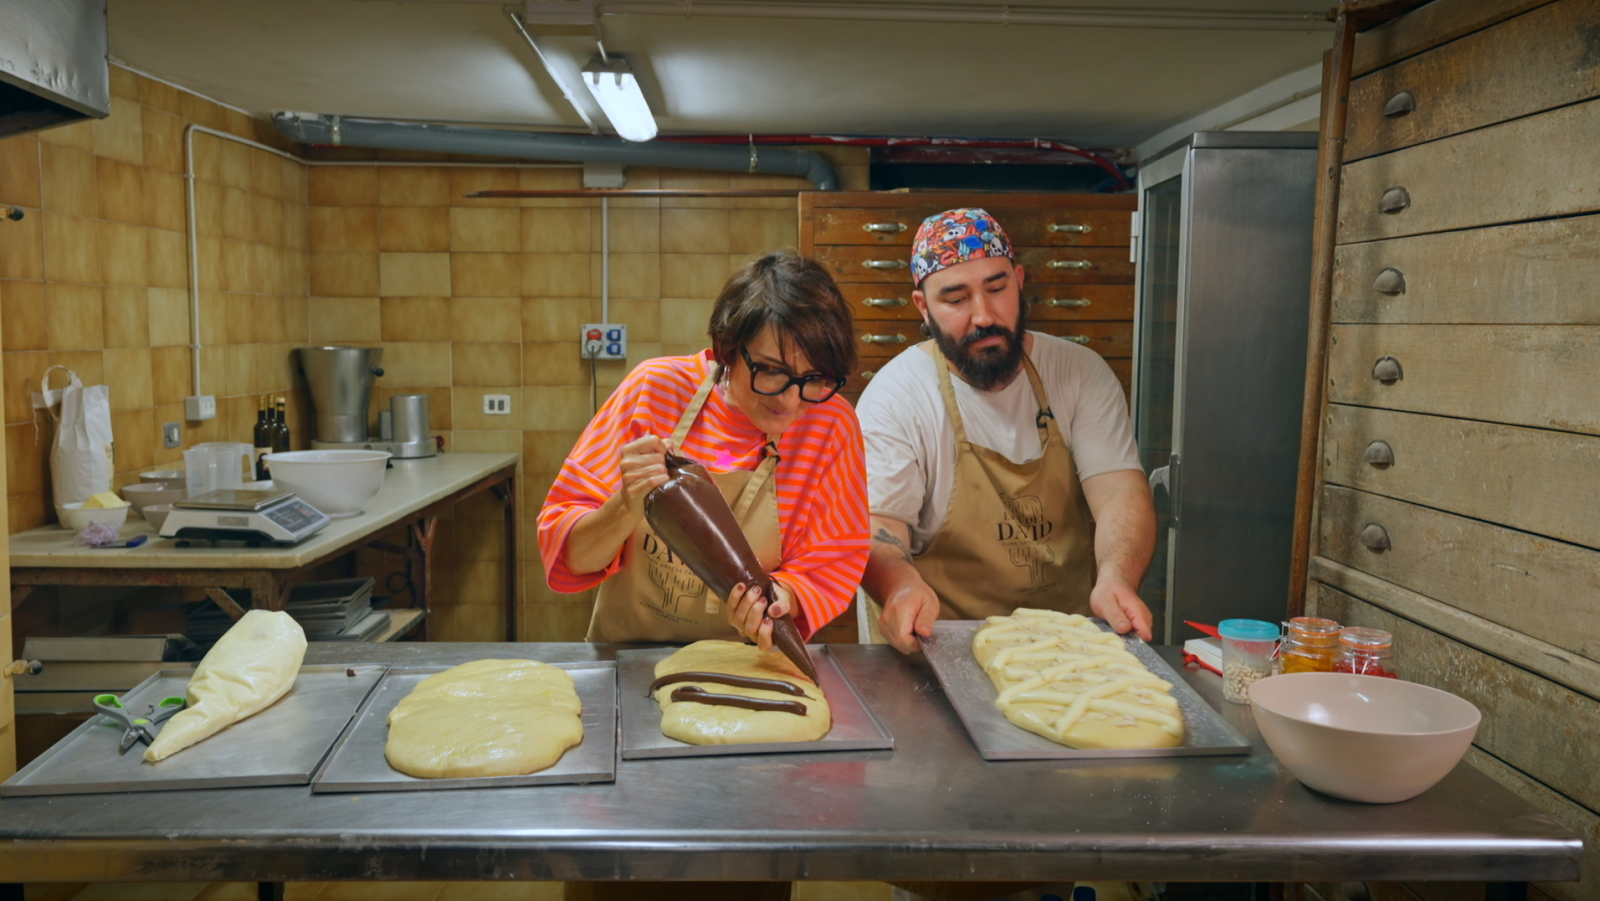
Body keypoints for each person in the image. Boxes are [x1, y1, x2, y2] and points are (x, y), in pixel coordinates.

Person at [539, 247, 869, 663]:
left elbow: (832, 563)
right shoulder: (653, 390)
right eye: (771, 370)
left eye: (814, 378)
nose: (790, 400)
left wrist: (783, 597)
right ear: (727, 348)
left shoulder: (830, 424)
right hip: (629, 660)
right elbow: (574, 556)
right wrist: (625, 503)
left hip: (750, 664)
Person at [856, 208, 1157, 656]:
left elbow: (1119, 492)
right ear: (923, 306)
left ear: (1018, 281)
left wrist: (1117, 577)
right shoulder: (897, 396)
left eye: (997, 290)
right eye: (955, 299)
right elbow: (879, 525)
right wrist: (899, 587)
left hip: (1069, 648)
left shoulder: (1079, 373)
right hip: (940, 648)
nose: (983, 316)